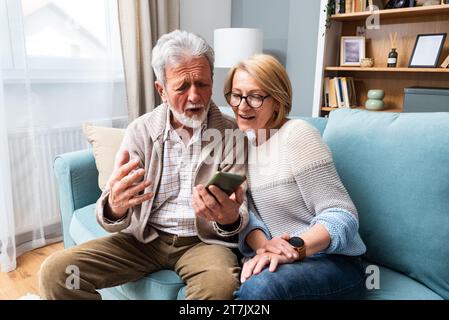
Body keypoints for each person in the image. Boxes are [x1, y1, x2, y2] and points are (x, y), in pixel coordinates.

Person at [39, 30, 249, 300]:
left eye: (202, 84)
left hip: (203, 243)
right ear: (161, 90)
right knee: (57, 273)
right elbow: (110, 213)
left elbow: (240, 213)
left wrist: (229, 218)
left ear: (212, 81)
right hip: (142, 240)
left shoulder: (231, 134)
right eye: (182, 87)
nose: (195, 96)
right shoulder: (140, 131)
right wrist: (115, 206)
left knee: (220, 286)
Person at [223, 54, 367, 300]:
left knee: (261, 288)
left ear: (277, 101)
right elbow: (247, 217)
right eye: (236, 95)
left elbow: (342, 216)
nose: (242, 105)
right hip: (280, 261)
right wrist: (265, 250)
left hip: (332, 261)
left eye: (256, 96)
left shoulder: (298, 135)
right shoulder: (242, 146)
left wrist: (292, 249)